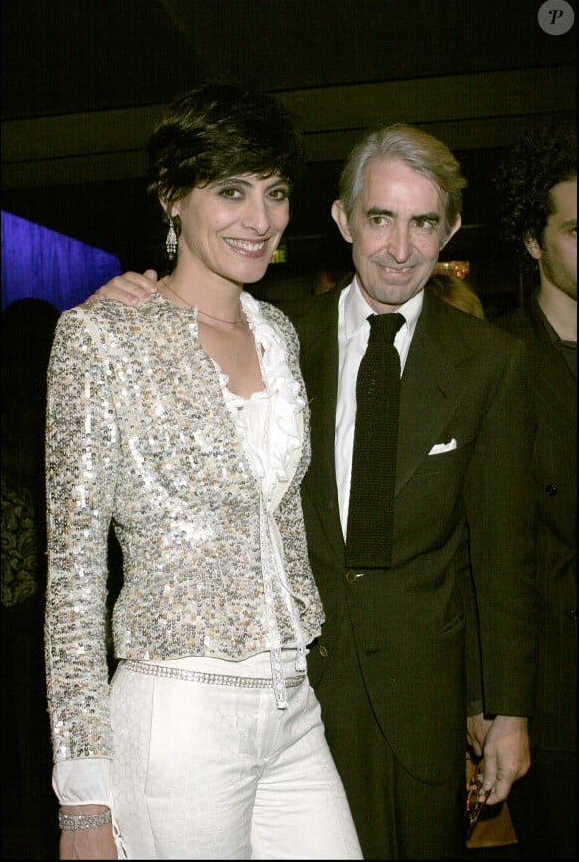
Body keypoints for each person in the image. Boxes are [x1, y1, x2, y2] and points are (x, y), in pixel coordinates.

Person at [90, 122, 539, 859]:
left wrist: (506, 711)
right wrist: (134, 291)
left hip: (422, 694)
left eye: (423, 222)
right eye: (380, 219)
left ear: (451, 227)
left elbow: (502, 554)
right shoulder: (277, 336)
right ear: (342, 221)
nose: (400, 247)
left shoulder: (492, 363)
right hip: (289, 686)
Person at [44, 82, 362, 861]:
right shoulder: (102, 338)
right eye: (231, 191)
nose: (260, 219)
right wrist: (82, 797)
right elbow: (74, 579)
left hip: (293, 702)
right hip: (179, 712)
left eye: (276, 191)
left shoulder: (277, 331)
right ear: (172, 199)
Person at [490, 127, 577, 861]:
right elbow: (484, 548)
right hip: (555, 690)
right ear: (532, 240)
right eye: (577, 229)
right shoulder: (498, 363)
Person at [1, 298, 61, 860]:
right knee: (44, 723)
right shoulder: (57, 398)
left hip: (15, 588)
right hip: (45, 593)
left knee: (22, 717)